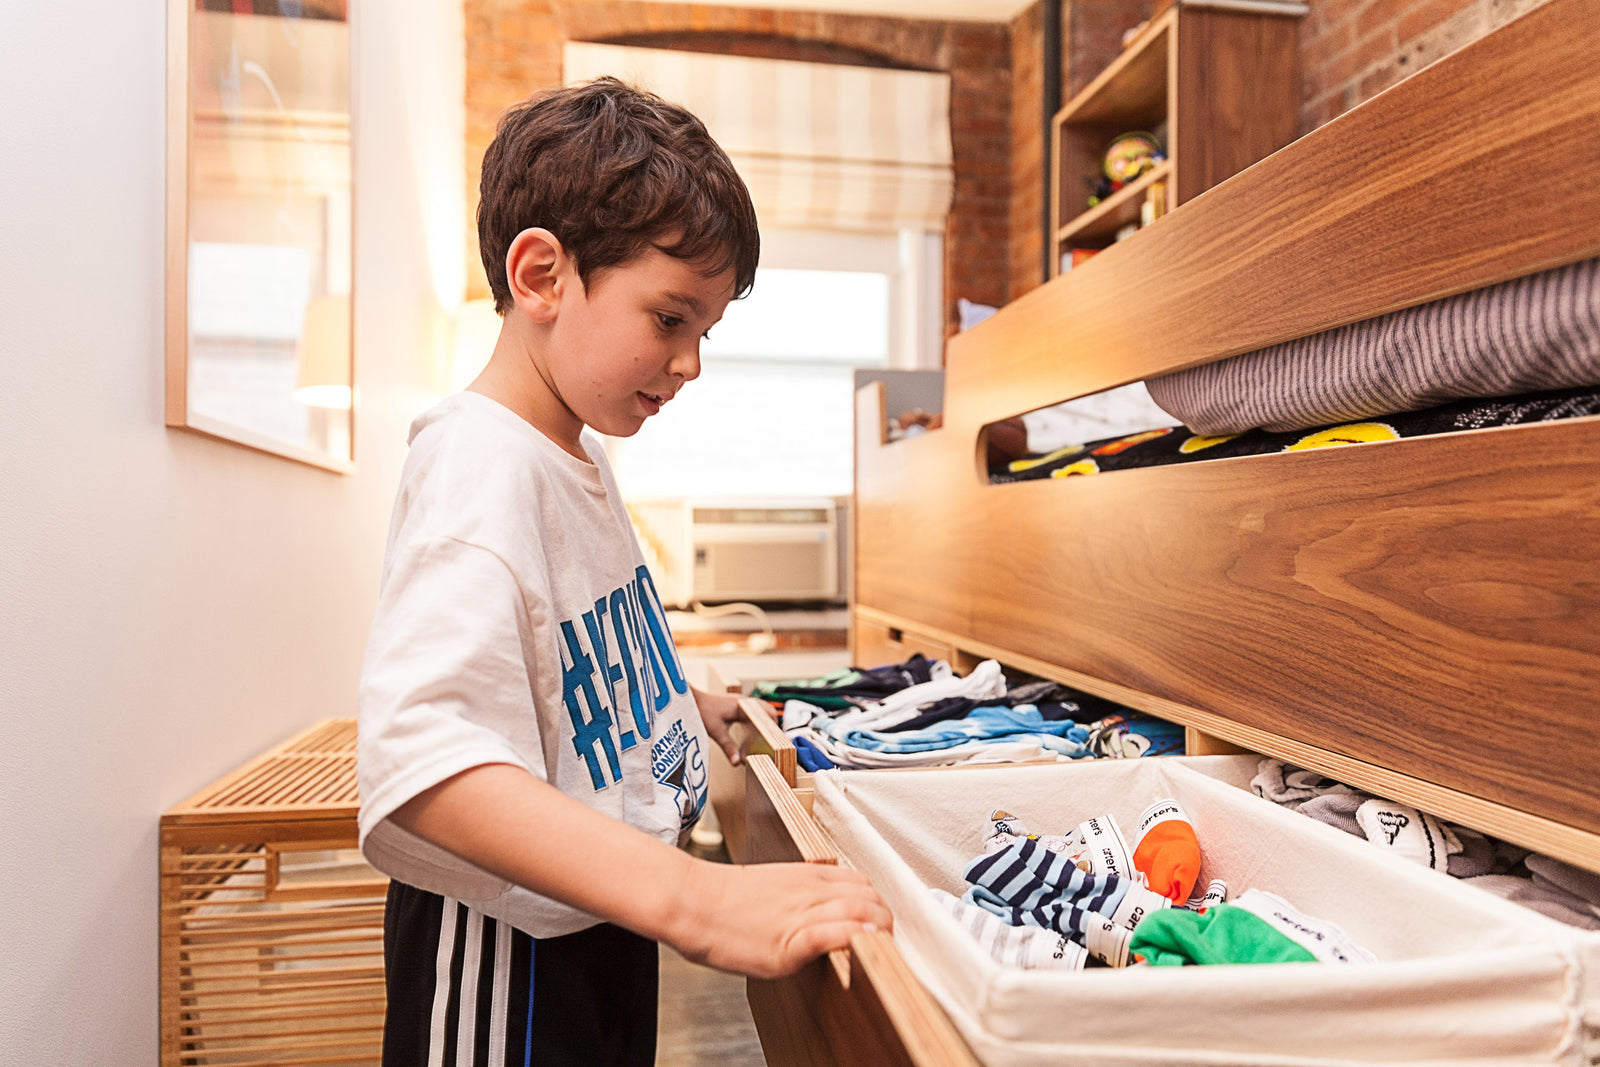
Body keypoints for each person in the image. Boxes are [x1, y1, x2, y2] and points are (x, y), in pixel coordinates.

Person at [356, 77, 890, 1066]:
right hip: (507, 946)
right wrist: (699, 898)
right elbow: (423, 758)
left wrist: (681, 703)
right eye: (670, 318)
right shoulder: (481, 463)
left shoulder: (573, 449)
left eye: (704, 333)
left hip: (596, 914)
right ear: (542, 276)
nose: (689, 364)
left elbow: (555, 660)